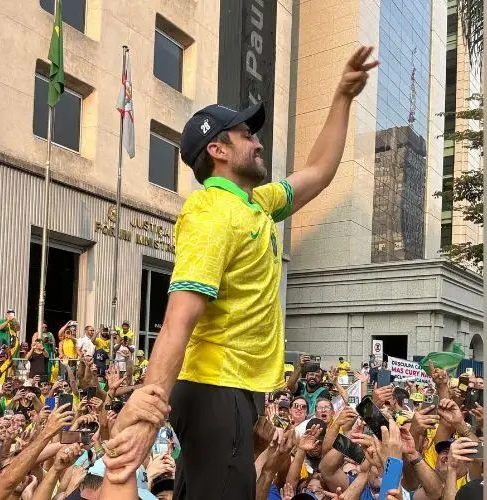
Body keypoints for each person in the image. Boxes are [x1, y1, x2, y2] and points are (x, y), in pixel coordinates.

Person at [103, 46, 379, 497]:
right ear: (217, 150)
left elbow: (320, 171)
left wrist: (343, 97)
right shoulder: (210, 214)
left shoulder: (256, 203)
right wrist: (145, 411)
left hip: (234, 392)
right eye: (246, 133)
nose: (258, 140)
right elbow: (179, 318)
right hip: (215, 389)